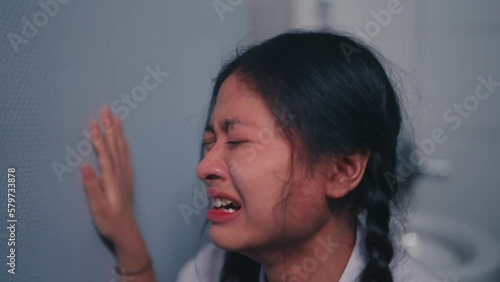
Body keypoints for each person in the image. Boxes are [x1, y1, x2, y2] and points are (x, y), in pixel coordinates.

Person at [80, 30, 442, 282]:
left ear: (341, 170)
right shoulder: (209, 271)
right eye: (210, 142)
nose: (205, 167)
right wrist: (128, 241)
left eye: (237, 141)